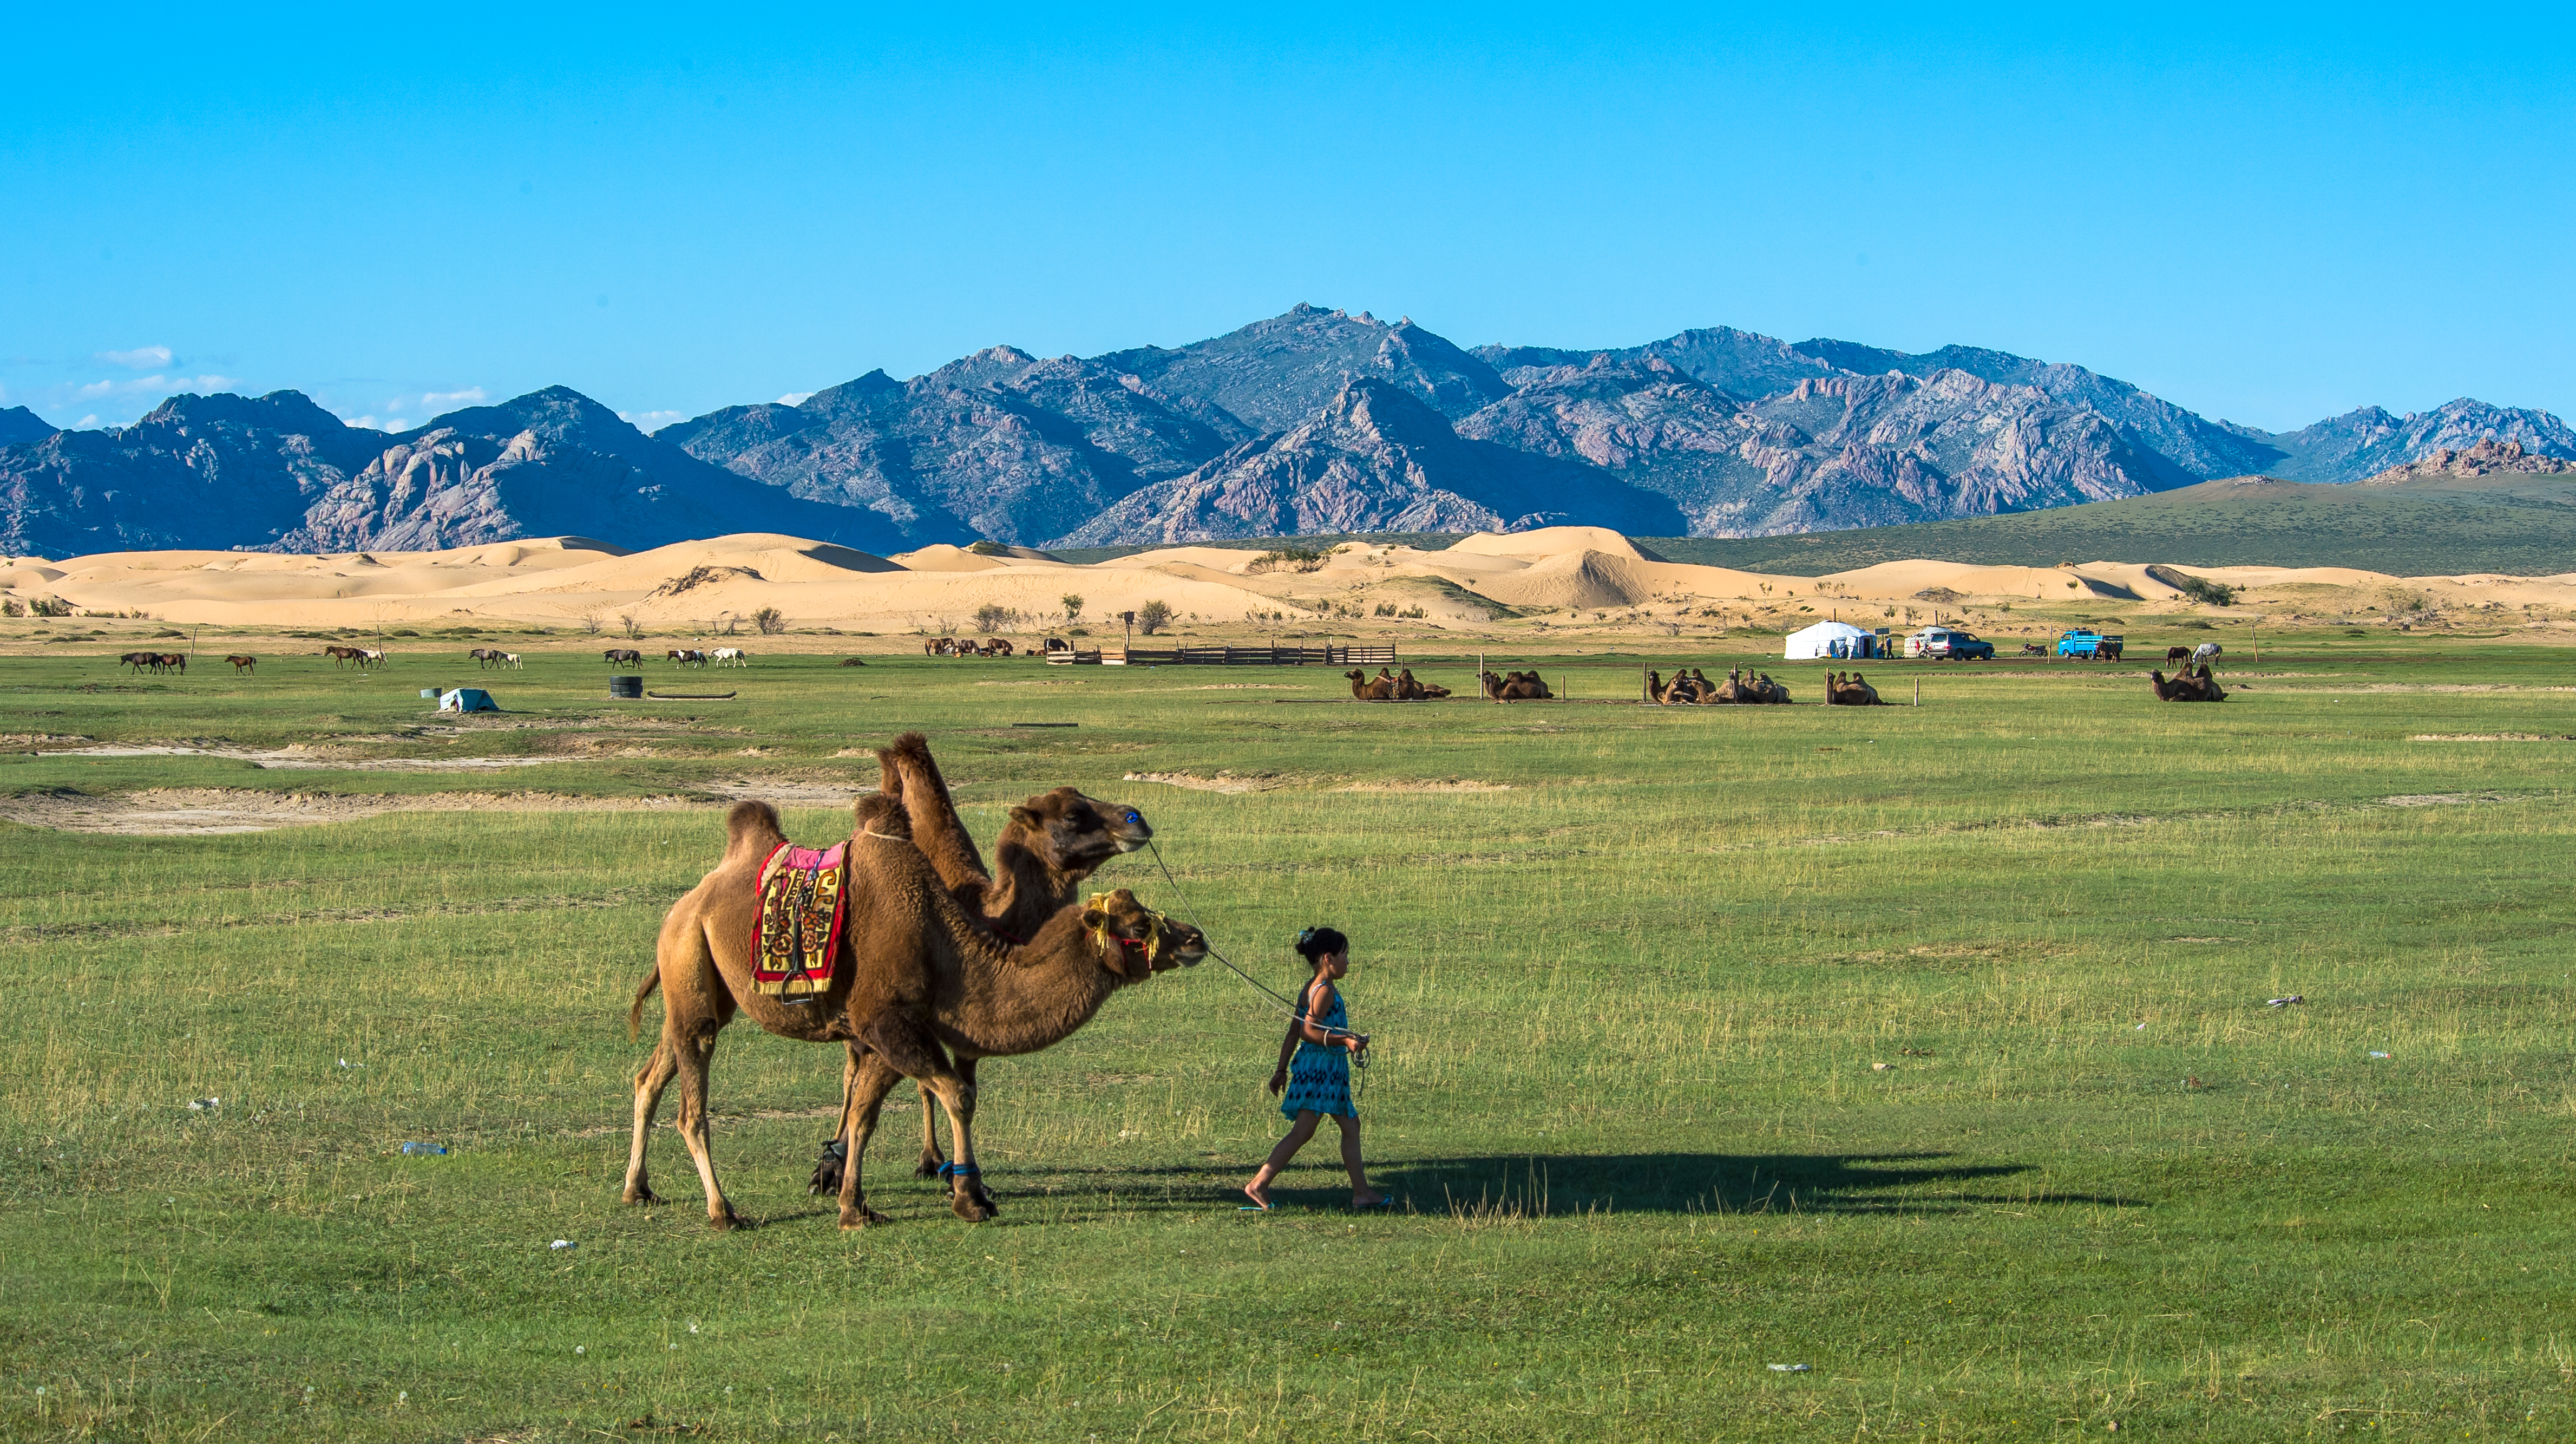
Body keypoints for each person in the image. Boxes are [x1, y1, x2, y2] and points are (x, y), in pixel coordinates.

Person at [1243, 925, 1386, 1210]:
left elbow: (1292, 1032)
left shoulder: (1310, 988)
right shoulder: (1323, 992)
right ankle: (1259, 1185)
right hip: (1323, 1069)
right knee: (1318, 1129)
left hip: (1316, 1068)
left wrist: (1281, 1070)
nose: (1348, 961)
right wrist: (1345, 1040)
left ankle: (1362, 1192)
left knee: (1335, 1127)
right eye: (1345, 954)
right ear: (1328, 959)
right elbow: (1308, 1031)